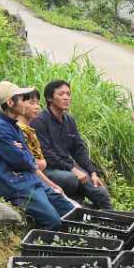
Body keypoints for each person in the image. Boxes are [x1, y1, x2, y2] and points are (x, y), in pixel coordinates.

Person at [0, 81, 76, 230]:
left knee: (70, 212)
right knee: (53, 221)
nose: (26, 103)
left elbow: (26, 157)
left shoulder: (12, 125)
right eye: (22, 99)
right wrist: (26, 156)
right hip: (18, 187)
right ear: (10, 102)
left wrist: (25, 155)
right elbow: (22, 160)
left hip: (32, 181)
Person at [33, 79, 114, 208]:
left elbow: (79, 148)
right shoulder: (40, 121)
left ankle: (108, 221)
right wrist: (73, 169)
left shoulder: (69, 120)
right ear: (49, 98)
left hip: (68, 167)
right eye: (61, 94)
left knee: (101, 193)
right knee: (71, 179)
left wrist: (92, 172)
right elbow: (46, 153)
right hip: (49, 169)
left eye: (68, 94)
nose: (66, 97)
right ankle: (77, 203)